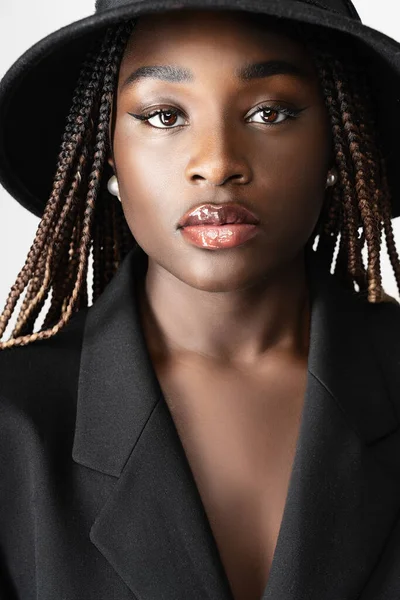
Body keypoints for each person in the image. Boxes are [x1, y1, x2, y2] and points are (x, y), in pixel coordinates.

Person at [1, 0, 400, 598]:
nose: (217, 163)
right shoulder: (13, 421)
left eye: (270, 112)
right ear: (106, 150)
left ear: (338, 144)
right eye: (163, 116)